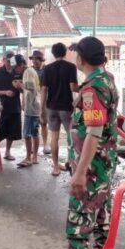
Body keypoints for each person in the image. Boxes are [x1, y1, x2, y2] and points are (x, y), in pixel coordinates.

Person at [39, 37, 118, 249]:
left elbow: (94, 133)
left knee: (78, 224)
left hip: (92, 170)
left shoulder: (92, 89)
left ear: (81, 59)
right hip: (104, 166)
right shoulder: (107, 80)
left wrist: (81, 172)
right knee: (100, 221)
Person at [40, 42, 78, 176]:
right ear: (65, 53)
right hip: (66, 107)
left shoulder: (47, 68)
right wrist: (84, 87)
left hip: (51, 107)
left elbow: (44, 89)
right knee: (70, 137)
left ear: (53, 53)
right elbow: (73, 87)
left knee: (54, 137)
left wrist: (42, 109)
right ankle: (71, 164)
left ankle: (55, 167)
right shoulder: (71, 67)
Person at [0, 51, 22, 160]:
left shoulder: (17, 72)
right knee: (0, 130)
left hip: (15, 105)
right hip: (2, 106)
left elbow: (22, 89)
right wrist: (5, 92)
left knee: (13, 131)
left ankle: (8, 152)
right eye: (7, 61)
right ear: (3, 60)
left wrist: (20, 87)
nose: (9, 63)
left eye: (11, 61)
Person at [18, 54, 41, 168]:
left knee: (27, 134)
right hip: (34, 106)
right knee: (34, 133)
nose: (17, 70)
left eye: (17, 67)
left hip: (32, 107)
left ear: (22, 64)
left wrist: (20, 85)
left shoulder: (28, 72)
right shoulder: (31, 71)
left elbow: (30, 86)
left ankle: (28, 157)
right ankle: (34, 157)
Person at [30, 50, 49, 155]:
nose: (35, 61)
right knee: (33, 124)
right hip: (32, 100)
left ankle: (45, 144)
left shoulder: (46, 70)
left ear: (41, 60)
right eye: (34, 59)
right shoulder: (29, 71)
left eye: (37, 59)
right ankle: (34, 145)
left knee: (43, 123)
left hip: (44, 99)